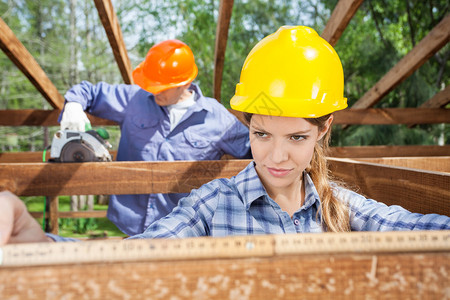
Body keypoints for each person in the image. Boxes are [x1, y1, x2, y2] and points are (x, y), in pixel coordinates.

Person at [1, 25, 449, 245]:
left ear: (322, 129)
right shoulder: (213, 203)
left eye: (295, 138)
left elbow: (410, 225)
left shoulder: (342, 208)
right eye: (260, 134)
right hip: (133, 219)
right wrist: (38, 242)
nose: (275, 156)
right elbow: (145, 249)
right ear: (247, 126)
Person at [58, 39, 251, 235]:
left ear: (186, 83)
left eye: (162, 86)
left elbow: (253, 152)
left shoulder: (218, 118)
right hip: (128, 225)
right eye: (152, 83)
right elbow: (88, 91)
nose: (153, 90)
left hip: (184, 229)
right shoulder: (134, 99)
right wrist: (73, 105)